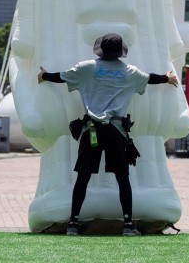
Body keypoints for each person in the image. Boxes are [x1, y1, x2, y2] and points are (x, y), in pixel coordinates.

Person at [38, 33, 179, 236]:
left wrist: (44, 76)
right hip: (116, 131)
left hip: (92, 130)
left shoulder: (86, 68)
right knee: (122, 178)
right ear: (121, 51)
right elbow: (150, 79)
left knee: (83, 177)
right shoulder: (130, 71)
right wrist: (168, 78)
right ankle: (129, 226)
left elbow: (61, 77)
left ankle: (73, 225)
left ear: (100, 50)